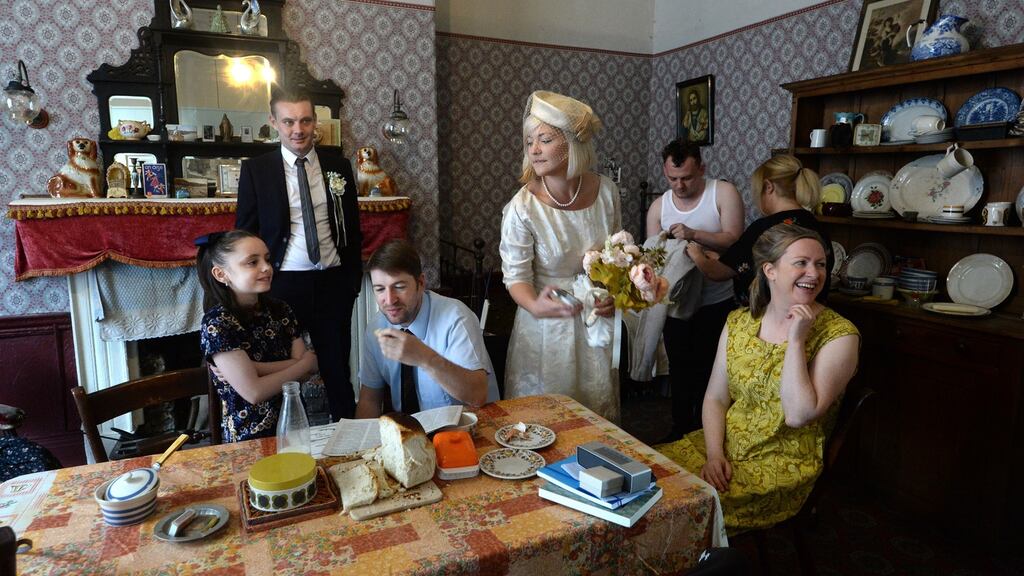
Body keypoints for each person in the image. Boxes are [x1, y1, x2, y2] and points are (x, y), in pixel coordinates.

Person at [657, 223, 860, 534]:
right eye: (801, 263)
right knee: (645, 478)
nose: (814, 273)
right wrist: (714, 454)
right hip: (723, 446)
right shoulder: (739, 321)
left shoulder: (839, 335)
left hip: (781, 464)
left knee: (672, 505)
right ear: (770, 270)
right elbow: (715, 397)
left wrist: (796, 341)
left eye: (820, 264)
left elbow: (798, 415)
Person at [236, 87, 362, 420]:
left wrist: (352, 280)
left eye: (305, 120)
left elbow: (352, 226)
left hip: (333, 283)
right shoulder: (256, 171)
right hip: (281, 286)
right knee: (283, 375)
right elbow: (245, 234)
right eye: (289, 121)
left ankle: (347, 446)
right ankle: (286, 442)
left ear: (315, 121)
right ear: (273, 122)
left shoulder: (339, 167)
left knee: (337, 369)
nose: (298, 130)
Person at [499, 90, 620, 422]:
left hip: (594, 322)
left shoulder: (607, 192)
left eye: (545, 139)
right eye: (529, 142)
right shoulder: (522, 208)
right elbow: (516, 277)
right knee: (546, 422)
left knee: (595, 420)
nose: (534, 150)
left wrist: (614, 295)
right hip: (545, 325)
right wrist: (536, 305)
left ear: (572, 142)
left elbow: (616, 258)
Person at [646, 139, 744, 439]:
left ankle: (706, 436)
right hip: (675, 304)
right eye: (672, 179)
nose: (679, 185)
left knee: (710, 373)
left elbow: (736, 241)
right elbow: (653, 257)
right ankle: (680, 432)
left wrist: (693, 234)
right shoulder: (659, 206)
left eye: (687, 178)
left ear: (701, 168)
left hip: (716, 301)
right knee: (679, 370)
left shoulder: (722, 193)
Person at [197, 230, 319, 442]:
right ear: (221, 274)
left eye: (267, 259)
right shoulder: (217, 323)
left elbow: (308, 374)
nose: (266, 267)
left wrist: (255, 368)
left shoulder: (281, 310)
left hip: (294, 423)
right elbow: (254, 392)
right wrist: (305, 362)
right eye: (252, 262)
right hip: (249, 436)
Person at [354, 240, 500, 418]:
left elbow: (478, 396)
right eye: (380, 289)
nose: (390, 299)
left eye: (399, 287)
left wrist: (424, 357)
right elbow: (370, 400)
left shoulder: (456, 318)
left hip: (469, 431)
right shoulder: (376, 327)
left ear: (421, 283)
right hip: (411, 436)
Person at [687, 154, 833, 307]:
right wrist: (723, 259)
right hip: (813, 314)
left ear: (769, 187)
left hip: (771, 319)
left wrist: (696, 255)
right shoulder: (817, 226)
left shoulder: (763, 228)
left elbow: (716, 272)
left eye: (758, 191)